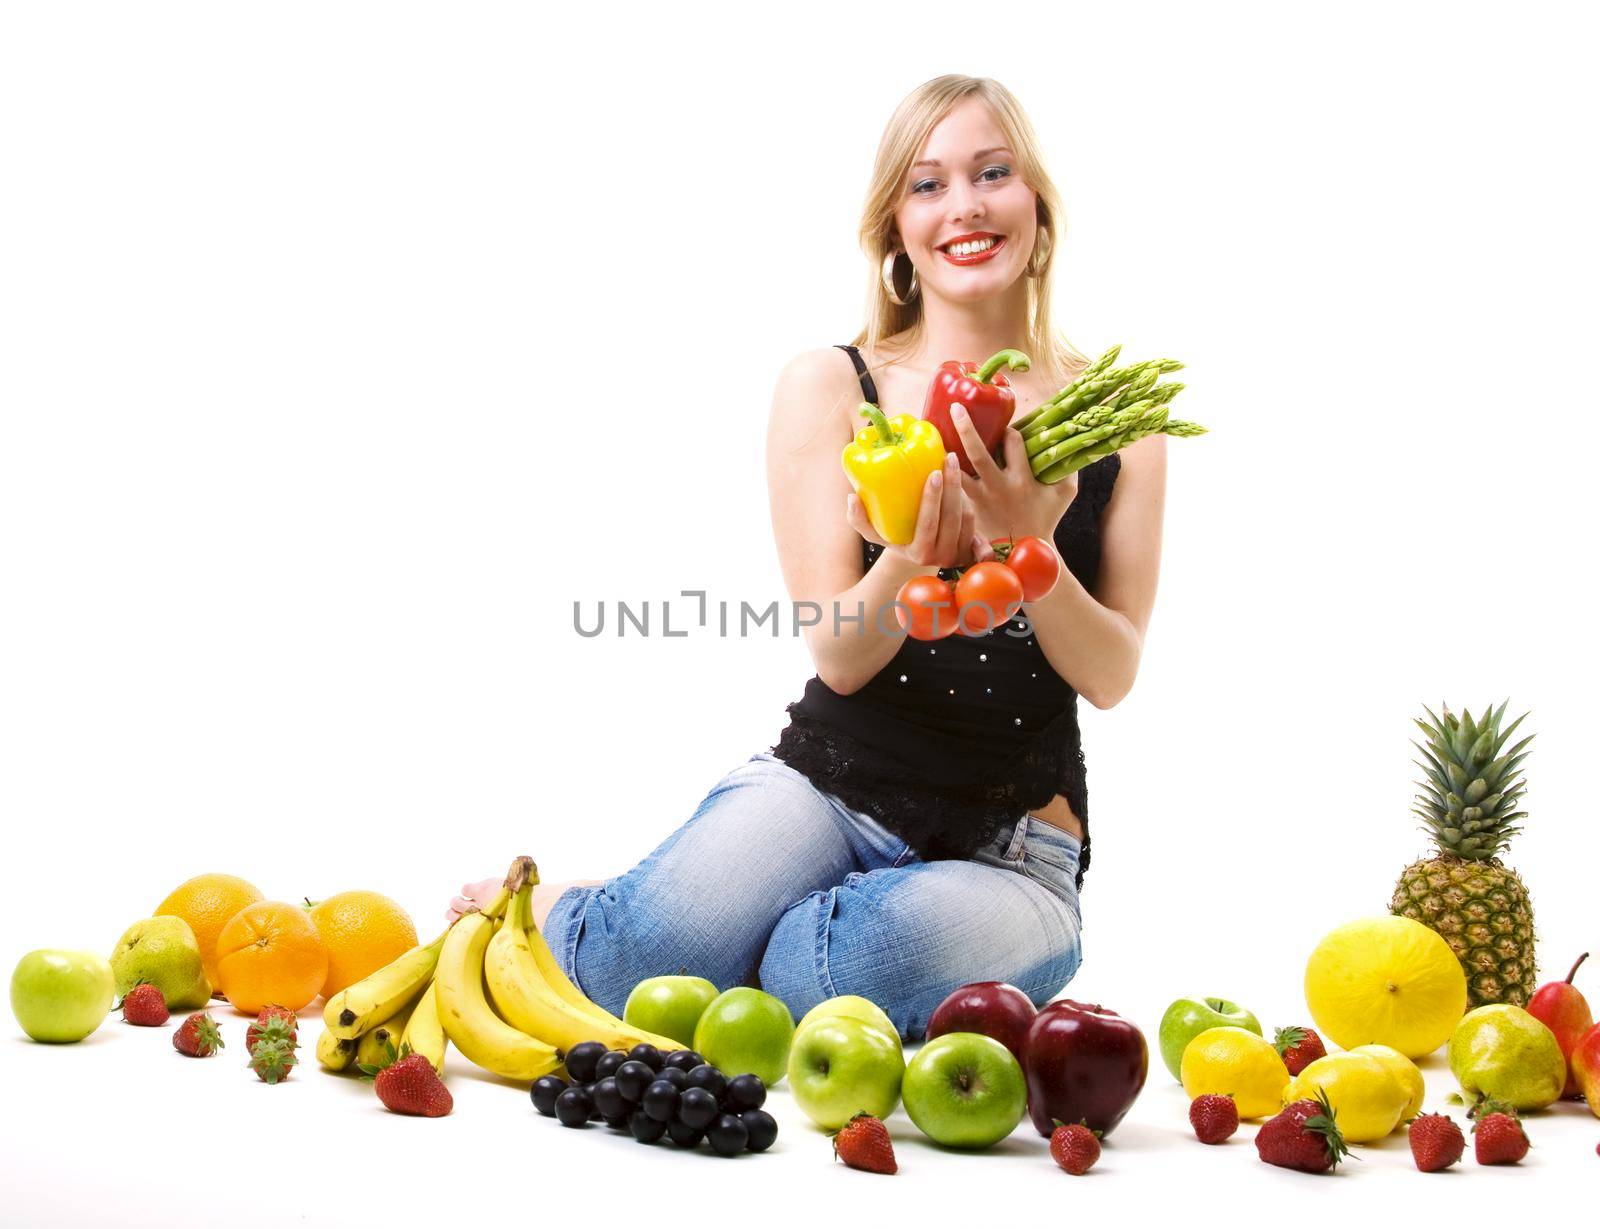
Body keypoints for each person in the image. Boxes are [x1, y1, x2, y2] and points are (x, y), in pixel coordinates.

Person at [449, 74, 1166, 1040]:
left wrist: (1028, 543)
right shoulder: (833, 386)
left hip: (1014, 848)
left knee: (811, 974)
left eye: (993, 173)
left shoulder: (1116, 422)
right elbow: (841, 654)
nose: (965, 205)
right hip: (833, 788)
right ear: (896, 232)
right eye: (928, 185)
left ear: (1035, 203)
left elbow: (1113, 673)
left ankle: (739, 913)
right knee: (633, 965)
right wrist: (909, 553)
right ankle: (598, 905)